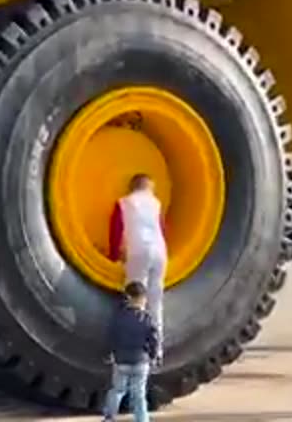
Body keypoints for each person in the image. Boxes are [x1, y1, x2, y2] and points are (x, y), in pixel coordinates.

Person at [109, 174, 167, 352]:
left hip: (138, 250)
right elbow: (163, 228)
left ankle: (131, 344)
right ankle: (157, 348)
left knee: (134, 297)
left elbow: (116, 229)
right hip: (159, 252)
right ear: (148, 187)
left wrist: (114, 255)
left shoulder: (125, 202)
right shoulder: (156, 203)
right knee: (156, 299)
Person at [102, 281, 160, 422]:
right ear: (143, 298)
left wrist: (109, 353)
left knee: (117, 390)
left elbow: (111, 337)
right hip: (141, 361)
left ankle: (109, 417)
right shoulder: (147, 319)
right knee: (139, 394)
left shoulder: (119, 318)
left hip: (121, 361)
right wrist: (153, 356)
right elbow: (154, 339)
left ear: (127, 297)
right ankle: (142, 419)